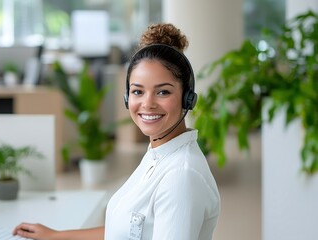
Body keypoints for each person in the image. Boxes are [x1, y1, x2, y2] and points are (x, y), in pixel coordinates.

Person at [13, 23, 220, 240]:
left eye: (163, 92)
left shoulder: (181, 176)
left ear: (188, 98)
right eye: (138, 91)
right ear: (127, 97)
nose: (147, 104)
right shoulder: (159, 152)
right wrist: (56, 236)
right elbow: (126, 230)